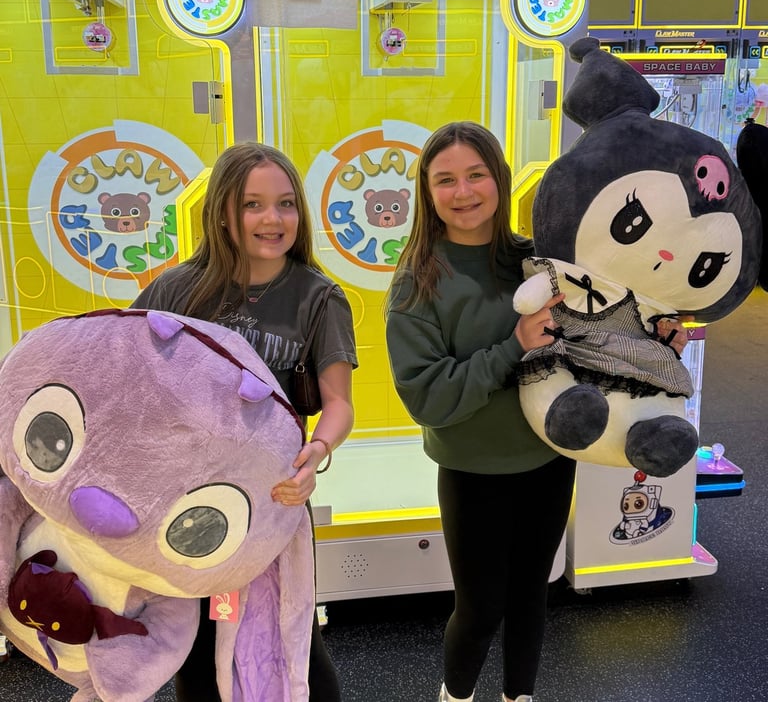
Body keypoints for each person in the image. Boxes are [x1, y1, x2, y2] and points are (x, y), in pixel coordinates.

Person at [384, 121, 688, 702]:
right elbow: (428, 398)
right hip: (472, 470)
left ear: (499, 180)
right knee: (479, 610)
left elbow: (601, 329)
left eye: (476, 174)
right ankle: (455, 695)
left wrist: (655, 338)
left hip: (549, 458)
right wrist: (513, 347)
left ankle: (519, 695)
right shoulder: (416, 284)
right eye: (445, 179)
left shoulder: (541, 261)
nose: (463, 191)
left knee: (531, 597)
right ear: (426, 191)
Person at [131, 141, 357, 702]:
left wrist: (316, 454)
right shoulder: (175, 290)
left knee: (294, 642)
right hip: (186, 509)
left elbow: (340, 404)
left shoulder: (319, 297)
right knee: (197, 648)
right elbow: (124, 379)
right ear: (222, 212)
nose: (272, 219)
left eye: (285, 204)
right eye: (252, 204)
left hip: (276, 505)